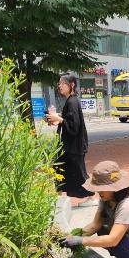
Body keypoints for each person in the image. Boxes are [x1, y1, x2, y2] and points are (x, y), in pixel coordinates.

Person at [46, 74, 97, 206]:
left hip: (75, 146)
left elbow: (74, 126)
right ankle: (59, 197)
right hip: (70, 146)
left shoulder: (72, 102)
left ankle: (91, 197)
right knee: (60, 168)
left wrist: (59, 119)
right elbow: (69, 121)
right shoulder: (70, 101)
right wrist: (58, 120)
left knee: (78, 173)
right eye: (59, 83)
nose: (60, 86)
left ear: (72, 85)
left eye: (63, 83)